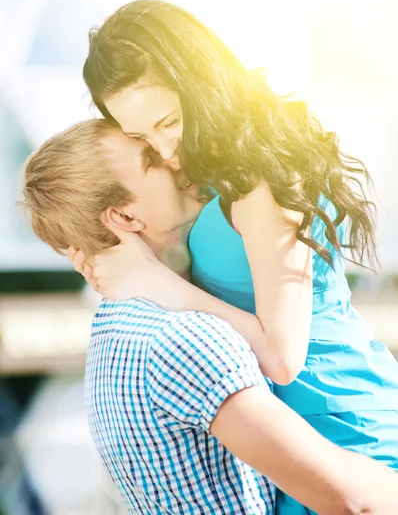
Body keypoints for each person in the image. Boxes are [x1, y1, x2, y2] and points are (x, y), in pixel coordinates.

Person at [71, 0, 398, 513]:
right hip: (289, 452)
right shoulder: (205, 175)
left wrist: (160, 285)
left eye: (169, 121)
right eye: (141, 137)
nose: (165, 148)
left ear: (200, 84)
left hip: (347, 434)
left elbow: (282, 357)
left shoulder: (260, 178)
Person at [21, 119, 398, 514]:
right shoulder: (183, 339)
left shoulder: (114, 334)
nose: (175, 160)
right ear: (126, 218)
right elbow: (353, 501)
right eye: (151, 160)